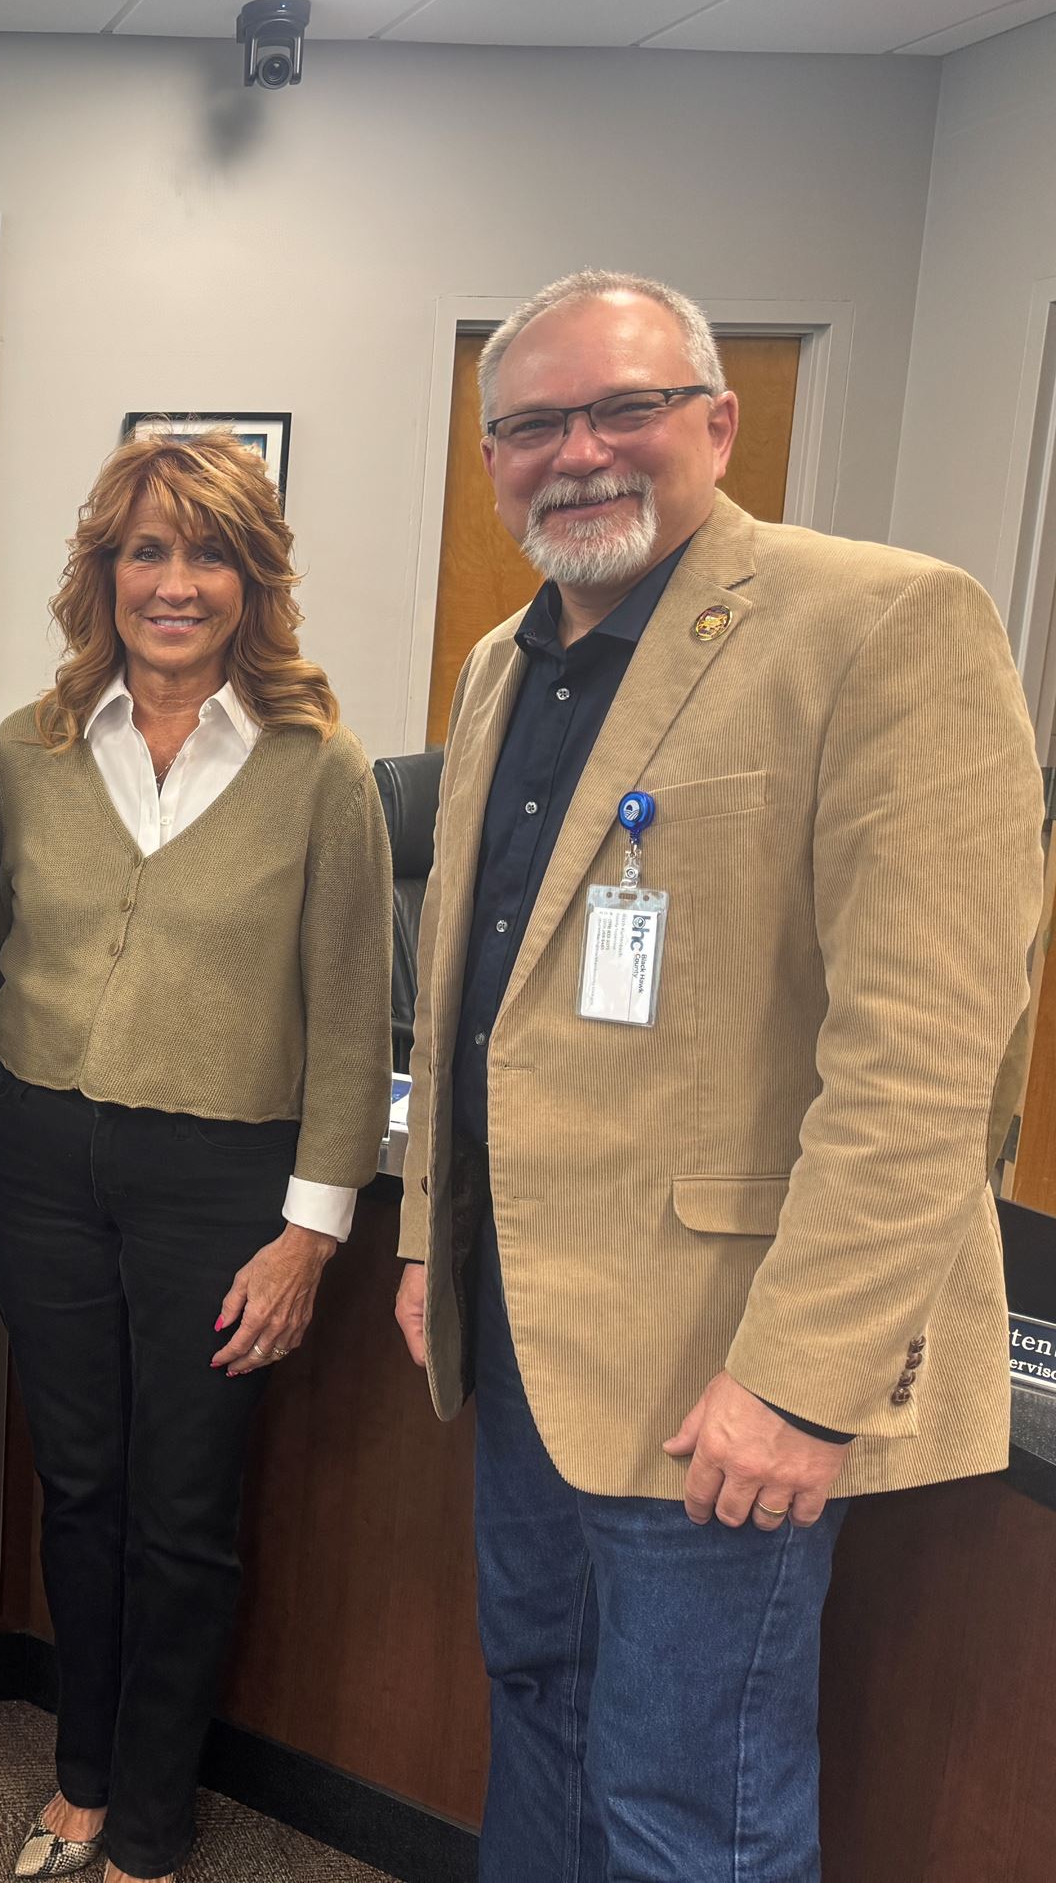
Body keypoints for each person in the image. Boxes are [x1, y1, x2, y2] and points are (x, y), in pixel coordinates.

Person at [394, 269, 1044, 1882]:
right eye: (533, 424)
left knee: (693, 1801)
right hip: (533, 1336)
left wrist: (805, 1378)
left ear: (718, 420)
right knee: (539, 1707)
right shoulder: (502, 665)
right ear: (492, 459)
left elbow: (927, 1060)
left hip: (720, 1370)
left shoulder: (884, 620)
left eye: (624, 408)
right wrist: (428, 1239)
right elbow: (474, 989)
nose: (580, 452)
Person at [0, 433, 392, 1882]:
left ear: (252, 580)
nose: (175, 581)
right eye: (147, 549)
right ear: (103, 572)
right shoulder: (26, 750)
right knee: (79, 1483)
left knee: (185, 1504)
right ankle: (79, 1773)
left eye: (209, 553)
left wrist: (311, 1231)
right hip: (35, 1161)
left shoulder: (319, 768)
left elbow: (352, 1018)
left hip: (224, 1183)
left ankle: (150, 1815)